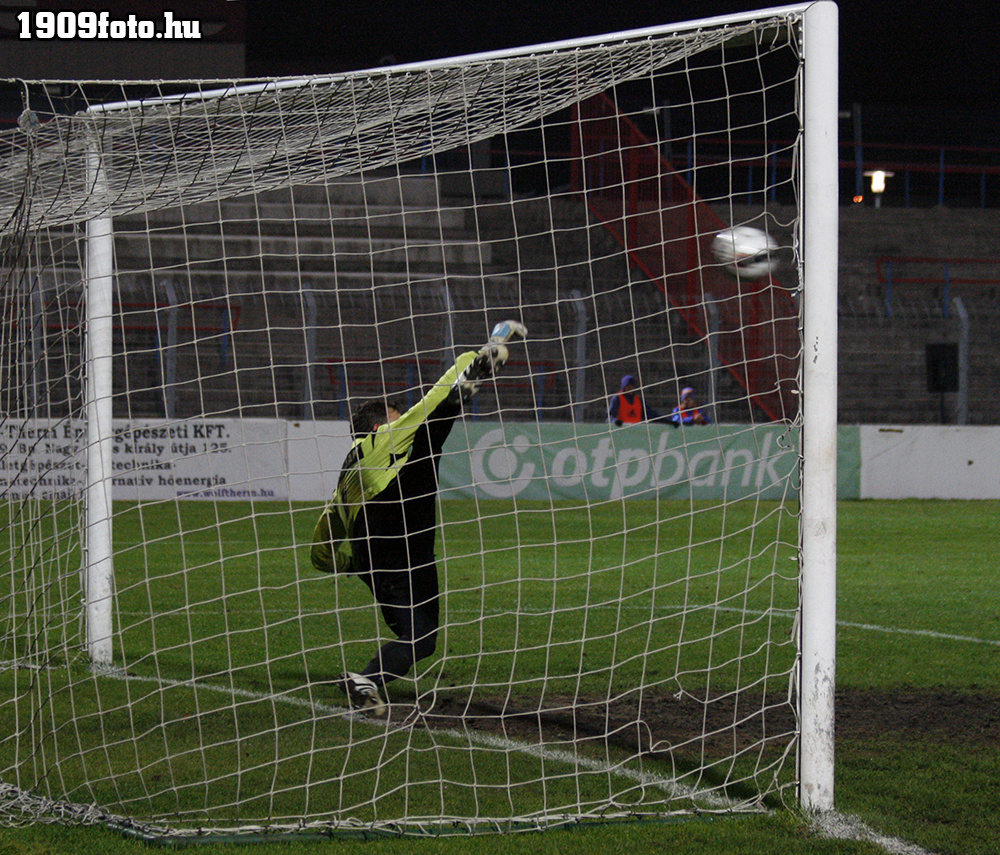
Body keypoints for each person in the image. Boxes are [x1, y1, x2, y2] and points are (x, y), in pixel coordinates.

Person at [310, 320, 527, 714]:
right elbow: (433, 399)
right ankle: (477, 368)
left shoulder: (345, 476)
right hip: (407, 532)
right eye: (396, 413)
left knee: (420, 637)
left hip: (380, 560)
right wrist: (484, 350)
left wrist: (351, 563)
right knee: (431, 426)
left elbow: (320, 552)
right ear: (381, 423)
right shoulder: (392, 435)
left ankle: (367, 680)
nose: (401, 415)